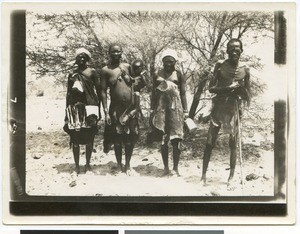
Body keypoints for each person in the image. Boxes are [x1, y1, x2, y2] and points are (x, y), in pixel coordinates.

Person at [201, 39, 251, 187]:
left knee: (233, 144)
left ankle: (230, 178)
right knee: (210, 142)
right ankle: (203, 176)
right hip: (218, 109)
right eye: (231, 48)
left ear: (242, 50)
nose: (235, 51)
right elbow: (210, 88)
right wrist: (227, 89)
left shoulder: (245, 69)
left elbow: (248, 94)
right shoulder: (220, 65)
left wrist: (241, 92)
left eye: (237, 48)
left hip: (233, 110)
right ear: (227, 50)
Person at [100, 44, 139, 175]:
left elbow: (139, 83)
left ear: (121, 53)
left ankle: (127, 165)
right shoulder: (105, 70)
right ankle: (118, 164)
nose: (116, 54)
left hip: (130, 108)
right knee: (117, 138)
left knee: (130, 138)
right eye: (113, 52)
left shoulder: (128, 67)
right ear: (109, 53)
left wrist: (131, 80)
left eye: (118, 52)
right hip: (115, 108)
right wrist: (105, 111)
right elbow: (103, 92)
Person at [150, 49, 189, 176]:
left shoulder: (179, 74)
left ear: (175, 62)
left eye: (171, 61)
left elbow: (183, 93)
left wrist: (186, 111)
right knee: (163, 138)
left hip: (175, 110)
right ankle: (166, 167)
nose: (168, 64)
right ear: (162, 61)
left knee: (176, 139)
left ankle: (175, 168)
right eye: (166, 61)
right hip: (161, 109)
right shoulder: (157, 74)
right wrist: (152, 109)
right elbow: (154, 93)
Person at [63, 48, 101, 174]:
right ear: (76, 58)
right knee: (75, 139)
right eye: (79, 56)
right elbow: (68, 94)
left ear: (88, 58)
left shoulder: (92, 72)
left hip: (90, 106)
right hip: (75, 108)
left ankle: (88, 165)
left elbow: (99, 92)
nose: (82, 59)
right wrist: (66, 113)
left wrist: (99, 110)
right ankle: (77, 166)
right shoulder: (72, 74)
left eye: (84, 56)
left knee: (90, 137)